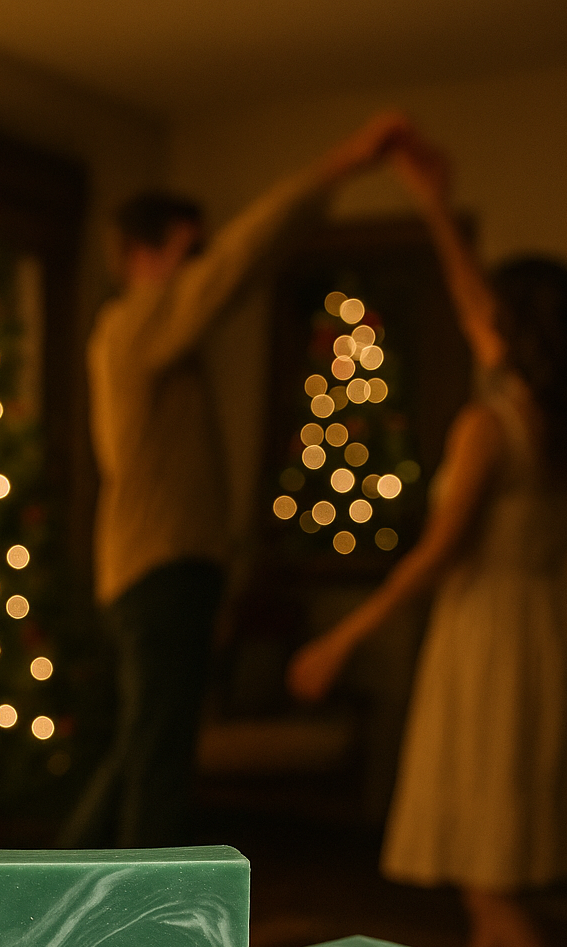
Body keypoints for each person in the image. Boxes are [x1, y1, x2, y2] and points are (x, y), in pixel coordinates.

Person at [287, 128, 567, 947]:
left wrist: (344, 635)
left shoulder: (487, 425)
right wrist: (433, 200)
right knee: (489, 835)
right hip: (543, 635)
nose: (472, 315)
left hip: (486, 639)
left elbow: (436, 553)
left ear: (506, 330)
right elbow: (476, 298)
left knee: (477, 849)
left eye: (487, 312)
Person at [60, 112, 409, 849]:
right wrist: (340, 162)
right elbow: (241, 260)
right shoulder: (134, 324)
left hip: (165, 570)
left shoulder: (156, 339)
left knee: (140, 752)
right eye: (188, 252)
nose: (200, 269)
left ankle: (41, 901)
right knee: (158, 764)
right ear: (140, 254)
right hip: (158, 572)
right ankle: (128, 928)